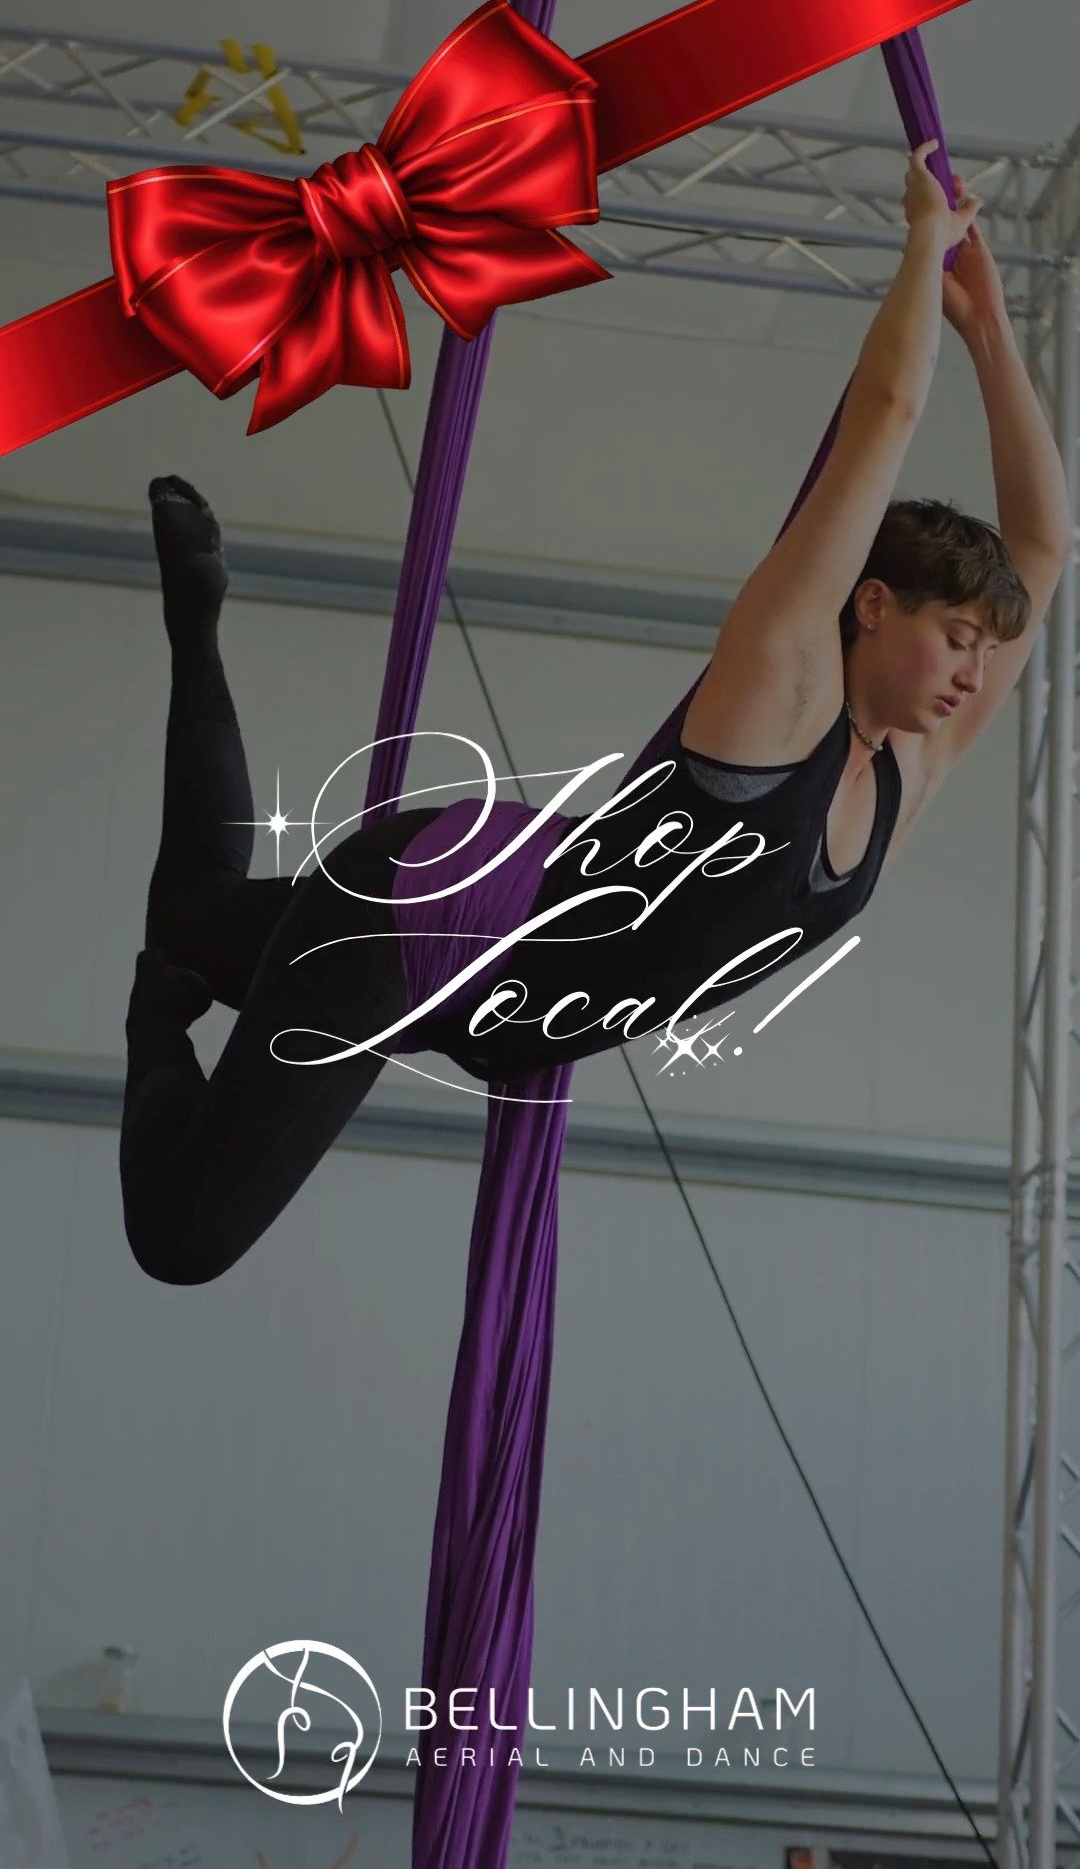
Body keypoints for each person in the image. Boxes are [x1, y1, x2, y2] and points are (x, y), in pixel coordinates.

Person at [120, 141, 1071, 1285]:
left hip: (482, 986)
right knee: (185, 1241)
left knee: (187, 920)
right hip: (415, 930)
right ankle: (152, 1021)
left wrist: (990, 329)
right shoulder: (784, 693)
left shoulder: (909, 770)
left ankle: (194, 619)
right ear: (872, 605)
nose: (975, 672)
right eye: (956, 637)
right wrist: (922, 249)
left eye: (985, 649)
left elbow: (1045, 541)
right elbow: (887, 410)